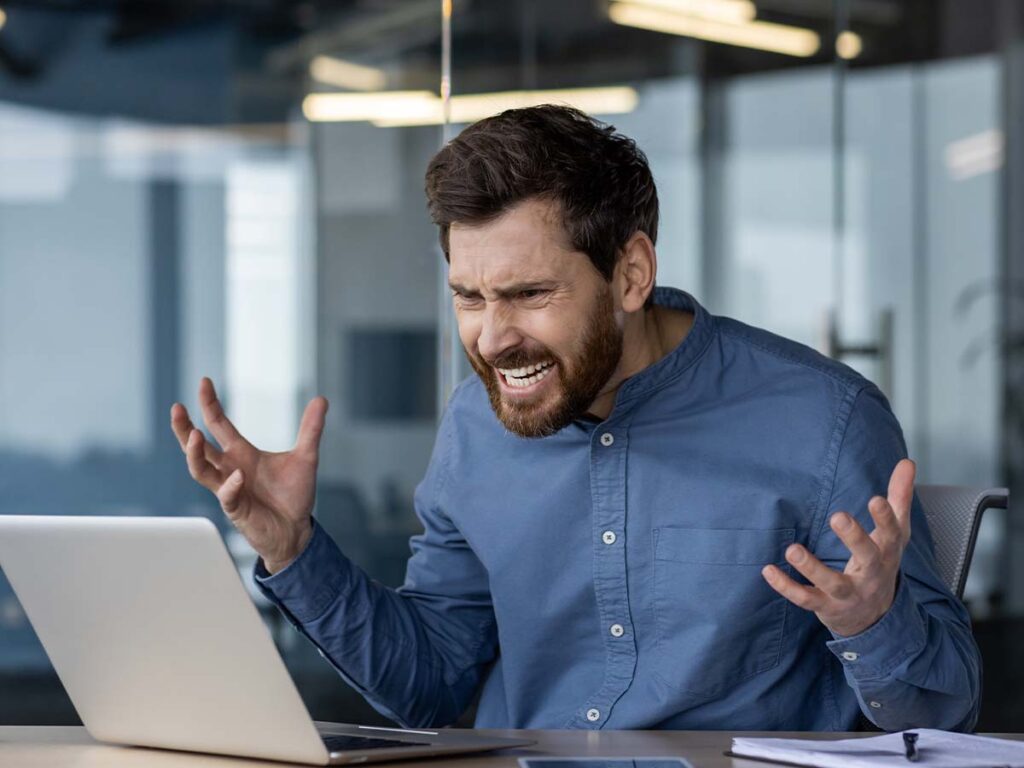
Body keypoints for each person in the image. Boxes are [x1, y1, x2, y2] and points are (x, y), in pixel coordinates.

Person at [170, 105, 981, 732]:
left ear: (631, 274)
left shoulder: (822, 420)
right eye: (469, 297)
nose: (492, 338)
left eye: (529, 294)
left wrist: (872, 621)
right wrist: (293, 550)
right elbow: (430, 682)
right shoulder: (475, 426)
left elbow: (946, 715)